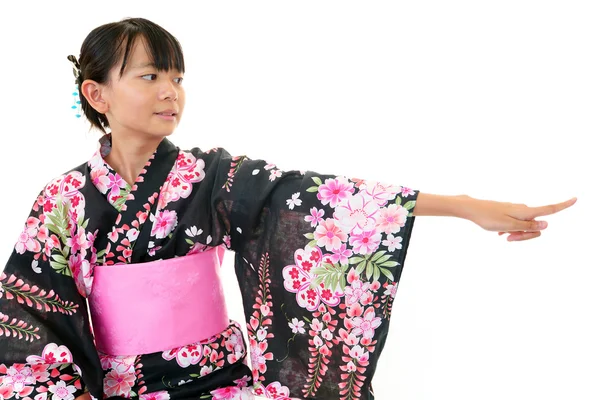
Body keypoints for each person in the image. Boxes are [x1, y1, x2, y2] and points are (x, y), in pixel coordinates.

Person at [0, 17, 576, 400]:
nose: (170, 91)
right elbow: (31, 314)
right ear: (97, 94)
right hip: (126, 390)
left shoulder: (209, 175)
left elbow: (311, 196)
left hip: (223, 381)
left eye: (177, 77)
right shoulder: (64, 201)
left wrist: (465, 206)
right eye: (149, 76)